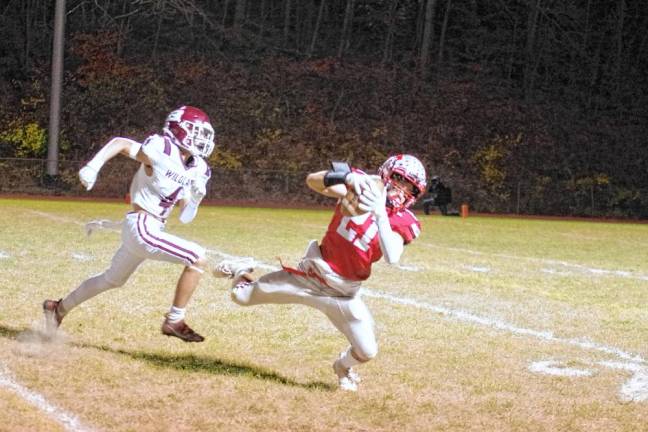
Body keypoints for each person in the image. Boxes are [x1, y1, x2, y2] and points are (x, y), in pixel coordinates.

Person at [214, 154, 427, 391]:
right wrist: (346, 177)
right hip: (311, 276)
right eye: (399, 179)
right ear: (387, 173)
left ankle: (342, 368)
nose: (401, 189)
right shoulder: (364, 185)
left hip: (343, 293)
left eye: (410, 186)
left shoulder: (403, 220)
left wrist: (380, 214)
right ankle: (241, 269)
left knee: (367, 351)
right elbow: (313, 180)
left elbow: (393, 256)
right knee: (241, 297)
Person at [43, 105, 216, 343]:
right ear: (179, 129)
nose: (202, 138)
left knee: (112, 280)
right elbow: (120, 143)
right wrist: (93, 166)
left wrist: (195, 199)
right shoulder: (162, 148)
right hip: (142, 225)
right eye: (196, 131)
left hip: (151, 228)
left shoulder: (199, 168)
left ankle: (57, 309)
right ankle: (174, 320)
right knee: (197, 257)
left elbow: (186, 216)